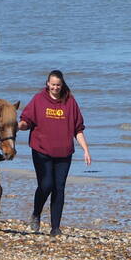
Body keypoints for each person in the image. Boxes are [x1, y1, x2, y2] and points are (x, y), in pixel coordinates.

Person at [18, 69, 91, 237]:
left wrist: (86, 150)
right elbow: (26, 121)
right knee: (46, 185)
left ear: (62, 85)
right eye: (53, 85)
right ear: (47, 84)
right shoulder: (38, 100)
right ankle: (36, 213)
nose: (55, 88)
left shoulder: (70, 102)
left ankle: (55, 227)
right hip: (41, 150)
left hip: (64, 153)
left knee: (59, 188)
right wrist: (19, 125)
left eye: (58, 85)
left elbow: (78, 129)